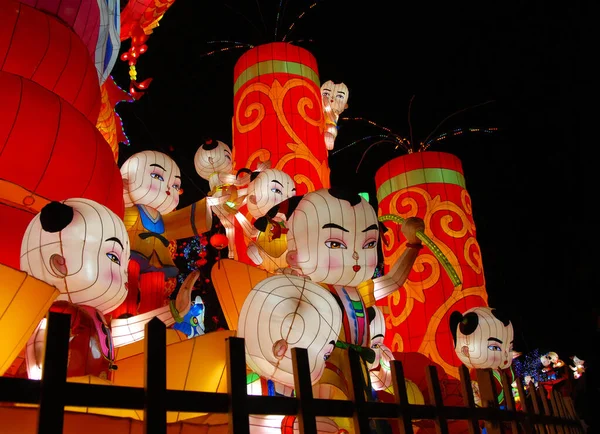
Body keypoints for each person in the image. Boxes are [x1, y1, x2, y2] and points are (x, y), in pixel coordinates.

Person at [116, 150, 212, 316]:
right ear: (127, 181)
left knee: (154, 290)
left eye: (175, 186)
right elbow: (116, 224)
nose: (168, 189)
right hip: (134, 254)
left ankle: (151, 317)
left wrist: (211, 204)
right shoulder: (133, 212)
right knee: (128, 283)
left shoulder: (164, 220)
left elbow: (189, 219)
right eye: (157, 177)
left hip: (159, 260)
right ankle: (124, 313)